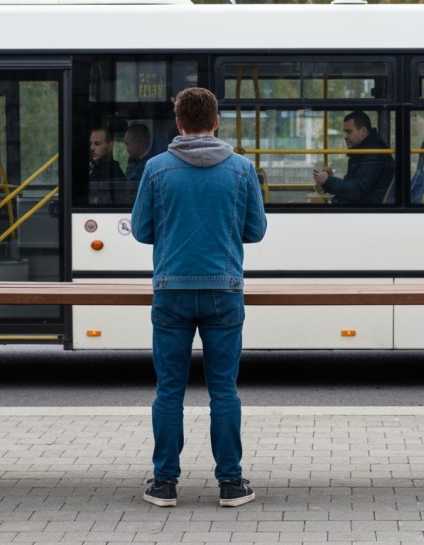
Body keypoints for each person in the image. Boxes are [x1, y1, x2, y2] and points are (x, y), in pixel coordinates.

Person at [130, 87, 268, 508]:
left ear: (178, 123)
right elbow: (256, 231)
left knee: (169, 391)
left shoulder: (156, 168)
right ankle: (230, 484)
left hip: (170, 291)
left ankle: (164, 484)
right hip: (224, 291)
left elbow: (141, 230)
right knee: (223, 391)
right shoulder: (242, 169)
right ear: (216, 121)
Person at [312, 111, 395, 205]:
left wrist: (328, 180)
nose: (345, 137)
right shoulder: (361, 151)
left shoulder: (372, 153)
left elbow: (358, 190)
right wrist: (327, 181)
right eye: (345, 132)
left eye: (349, 132)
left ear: (363, 131)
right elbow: (352, 185)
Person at [87, 127, 126, 206]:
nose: (92, 148)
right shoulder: (97, 168)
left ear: (110, 146)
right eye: (91, 144)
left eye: (97, 144)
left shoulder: (112, 172)